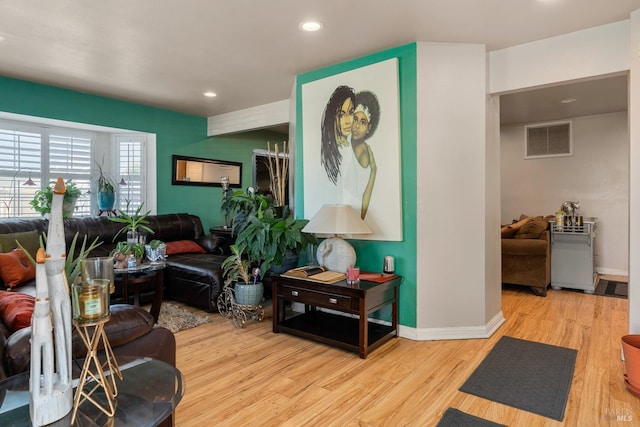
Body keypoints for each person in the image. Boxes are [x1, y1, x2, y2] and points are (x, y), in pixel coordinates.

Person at [350, 90, 380, 219]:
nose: (356, 125)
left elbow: (365, 193)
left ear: (369, 127)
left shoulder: (363, 152)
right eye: (355, 119)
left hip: (352, 214)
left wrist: (360, 219)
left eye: (362, 122)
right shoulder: (347, 144)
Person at [320, 85, 355, 185]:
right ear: (333, 118)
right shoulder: (333, 151)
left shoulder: (350, 147)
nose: (348, 121)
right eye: (342, 115)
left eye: (351, 112)